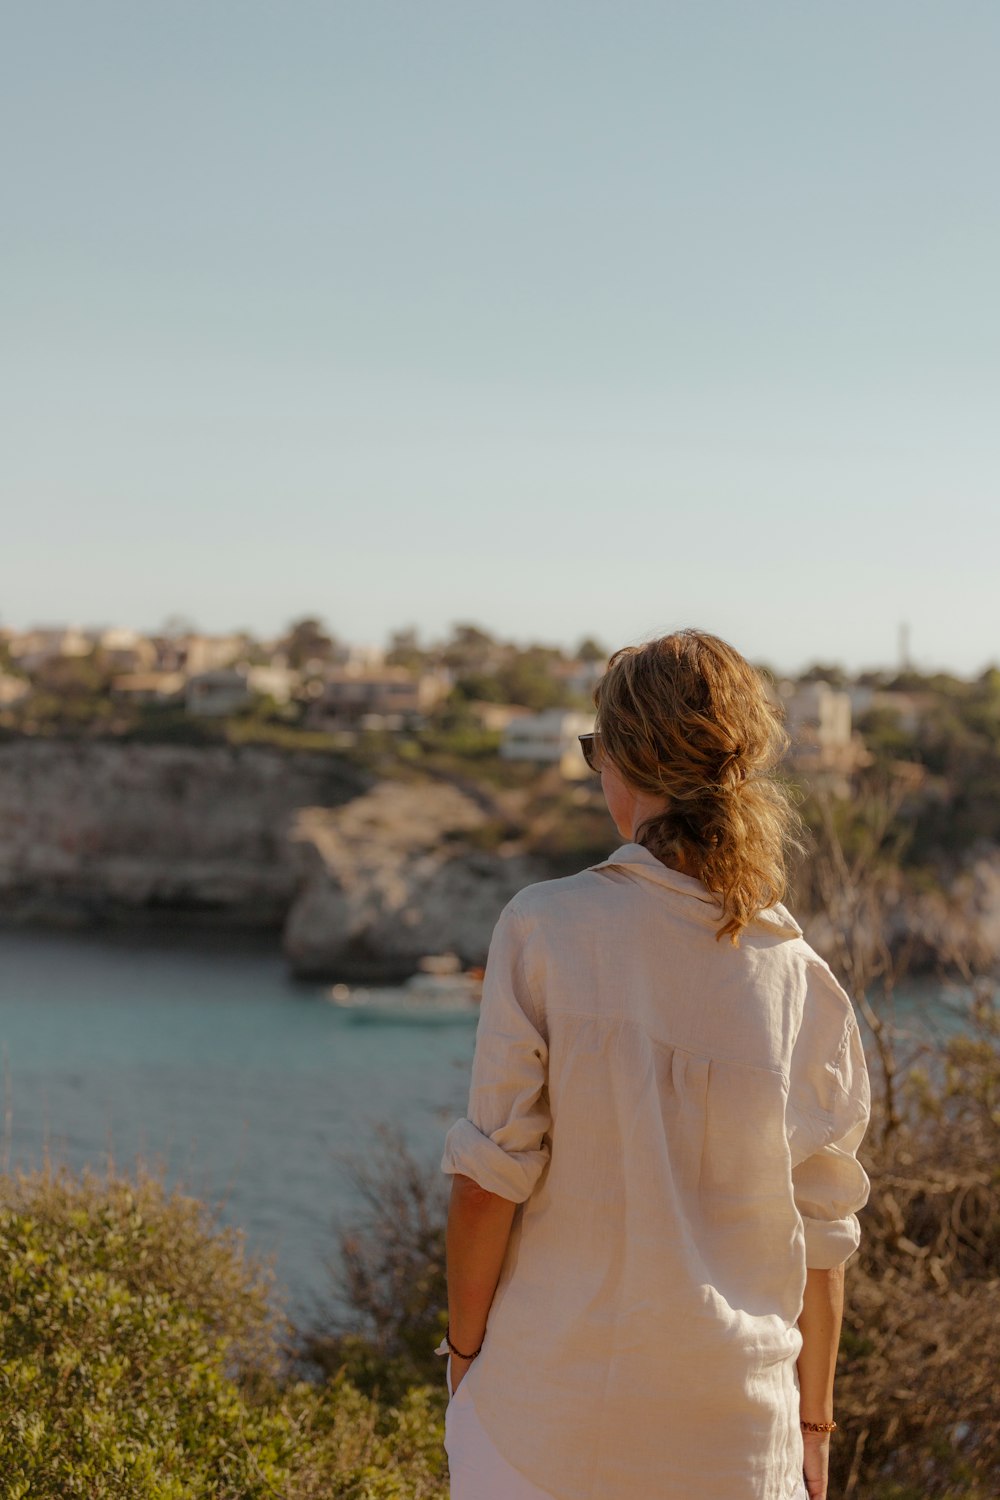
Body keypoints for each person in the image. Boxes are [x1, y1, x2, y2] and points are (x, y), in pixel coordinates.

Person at [436, 628, 872, 1500]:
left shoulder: (545, 927)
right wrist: (812, 1430)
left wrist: (464, 1361)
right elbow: (824, 1242)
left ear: (624, 762)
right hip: (741, 1446)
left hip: (543, 1424)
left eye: (598, 750)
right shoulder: (804, 982)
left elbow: (490, 1182)